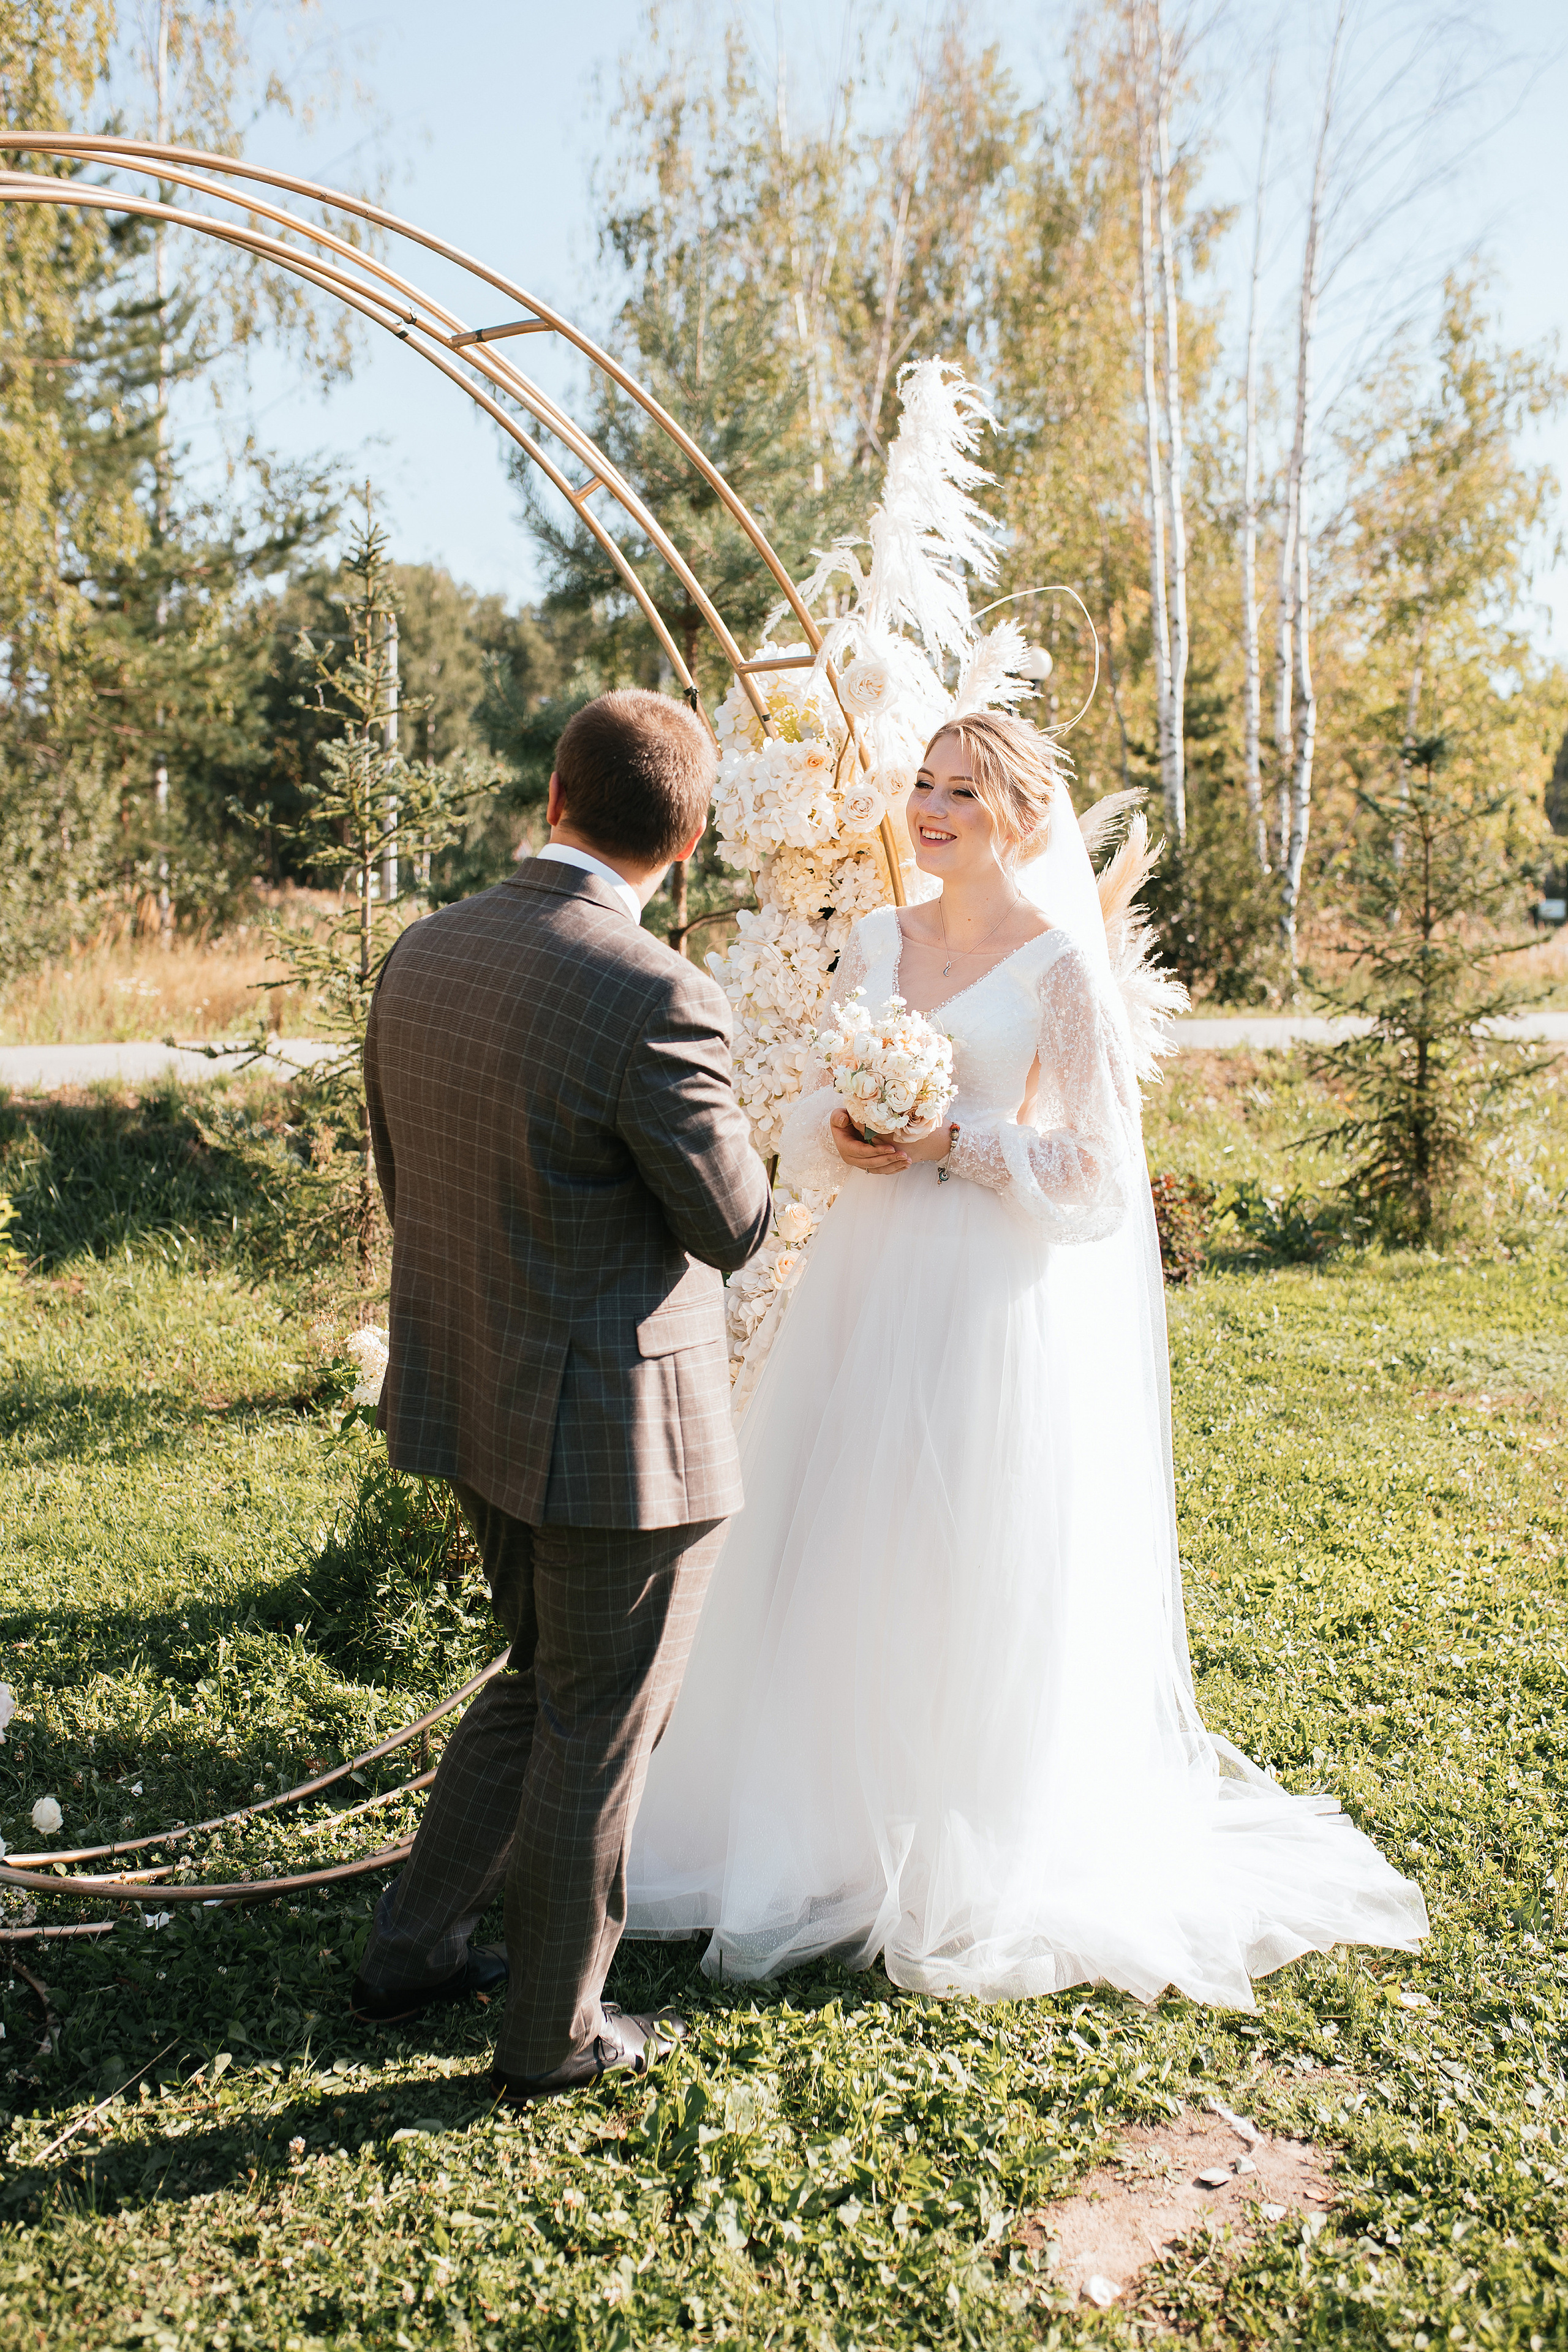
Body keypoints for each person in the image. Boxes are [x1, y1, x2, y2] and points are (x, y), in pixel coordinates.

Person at [627, 710, 1427, 2005]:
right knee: (842, 1524)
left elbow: (1100, 1173)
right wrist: (851, 1126)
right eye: (924, 785)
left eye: (962, 792)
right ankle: (818, 1824)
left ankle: (963, 1828)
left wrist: (960, 1143)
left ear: (1019, 816)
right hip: (869, 1272)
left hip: (986, 1288)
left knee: (963, 1538)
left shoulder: (1059, 967)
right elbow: (815, 1113)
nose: (930, 809)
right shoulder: (874, 941)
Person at [350, 688, 773, 2099]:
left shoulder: (425, 951)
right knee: (601, 1723)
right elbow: (731, 1225)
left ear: (553, 796)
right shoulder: (656, 993)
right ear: (690, 841)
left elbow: (406, 1174)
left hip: (470, 1394)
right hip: (616, 1436)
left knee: (542, 1682)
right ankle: (552, 2035)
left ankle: (414, 1946)